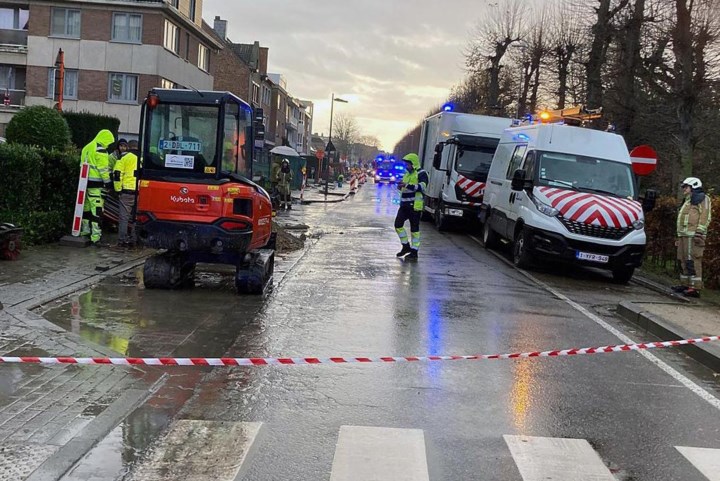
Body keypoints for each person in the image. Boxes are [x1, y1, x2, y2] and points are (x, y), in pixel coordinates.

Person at [673, 177, 712, 297]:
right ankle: (685, 284)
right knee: (683, 260)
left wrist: (699, 232)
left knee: (693, 260)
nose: (683, 189)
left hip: (694, 235)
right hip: (684, 234)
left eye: (686, 187)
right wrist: (679, 235)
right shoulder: (688, 200)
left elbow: (705, 216)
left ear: (693, 187)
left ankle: (695, 288)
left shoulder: (703, 199)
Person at [80, 129, 115, 246]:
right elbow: (103, 169)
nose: (108, 145)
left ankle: (85, 232)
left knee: (86, 209)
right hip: (97, 185)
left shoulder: (87, 147)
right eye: (109, 142)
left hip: (85, 184)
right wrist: (108, 182)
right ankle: (96, 238)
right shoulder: (100, 150)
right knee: (97, 211)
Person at [395, 153, 428, 260]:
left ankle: (414, 252)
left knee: (414, 230)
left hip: (414, 206)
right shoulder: (407, 174)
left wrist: (406, 185)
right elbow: (405, 187)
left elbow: (422, 187)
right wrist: (400, 186)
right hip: (404, 205)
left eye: (408, 164)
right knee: (398, 225)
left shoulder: (422, 173)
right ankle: (406, 246)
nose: (406, 166)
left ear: (413, 164)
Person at [113, 140, 139, 248]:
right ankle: (134, 239)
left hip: (126, 191)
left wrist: (118, 190)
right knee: (136, 217)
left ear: (128, 147)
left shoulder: (123, 159)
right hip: (138, 192)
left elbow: (117, 175)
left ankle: (122, 240)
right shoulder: (141, 159)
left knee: (124, 217)